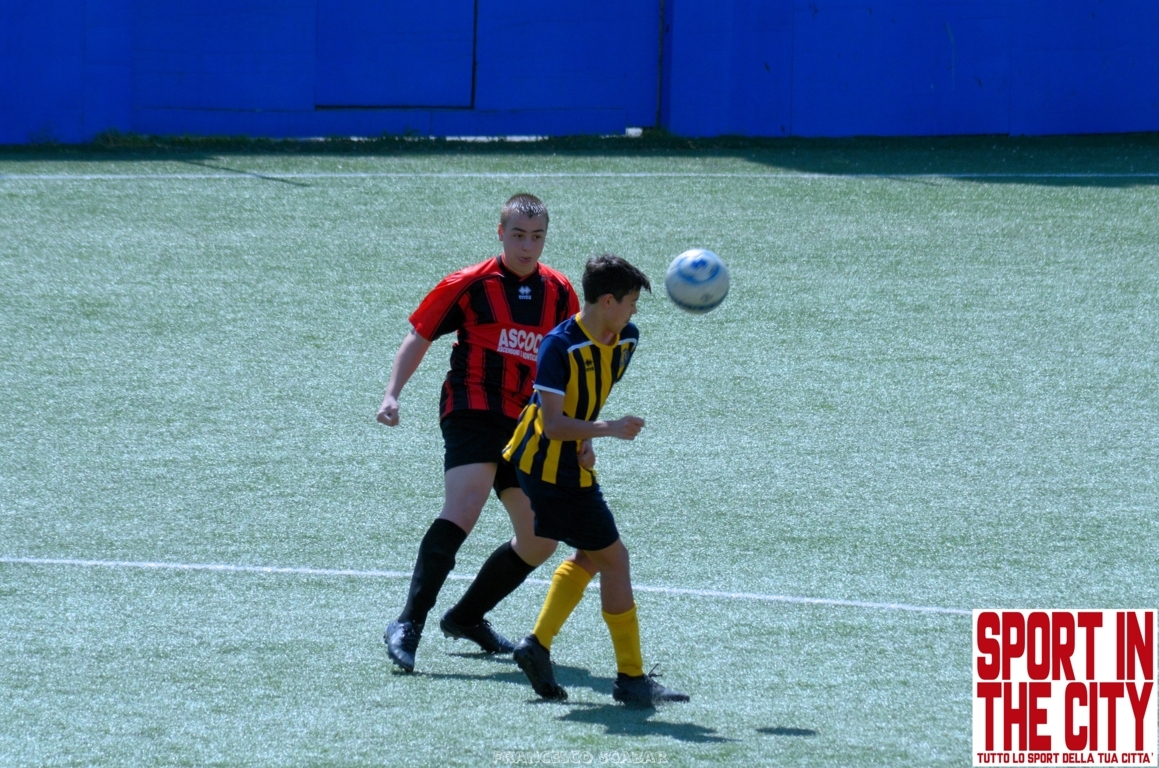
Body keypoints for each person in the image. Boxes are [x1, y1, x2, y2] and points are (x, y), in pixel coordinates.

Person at [377, 193, 582, 673]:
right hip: (472, 405)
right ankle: (409, 623)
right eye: (518, 235)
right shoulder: (469, 284)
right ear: (500, 232)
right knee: (464, 506)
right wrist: (392, 394)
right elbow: (420, 334)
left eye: (537, 237)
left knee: (539, 539)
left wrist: (578, 431)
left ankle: (467, 616)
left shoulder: (560, 291)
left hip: (528, 420)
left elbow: (568, 366)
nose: (527, 246)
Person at [504, 254, 689, 707]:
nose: (634, 311)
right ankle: (629, 679)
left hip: (569, 459)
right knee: (614, 559)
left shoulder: (626, 339)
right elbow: (551, 424)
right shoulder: (559, 346)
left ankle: (537, 646)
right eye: (629, 302)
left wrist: (585, 437)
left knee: (591, 554)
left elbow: (582, 404)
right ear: (607, 300)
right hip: (544, 463)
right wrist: (605, 429)